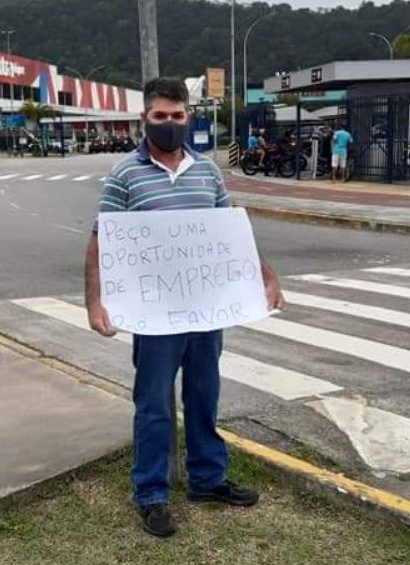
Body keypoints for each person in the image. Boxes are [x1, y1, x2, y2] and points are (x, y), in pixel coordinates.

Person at [84, 77, 285, 538]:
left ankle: (207, 479)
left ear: (188, 117)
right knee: (153, 403)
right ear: (145, 119)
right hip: (154, 316)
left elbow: (230, 237)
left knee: (204, 394)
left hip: (206, 311)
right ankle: (151, 493)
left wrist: (266, 275)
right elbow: (101, 243)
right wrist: (95, 302)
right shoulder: (124, 175)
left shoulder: (208, 172)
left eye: (177, 116)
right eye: (161, 116)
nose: (170, 123)